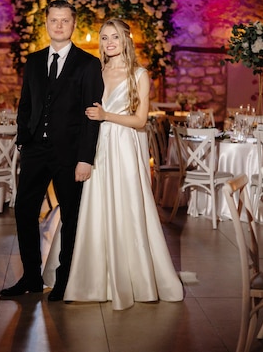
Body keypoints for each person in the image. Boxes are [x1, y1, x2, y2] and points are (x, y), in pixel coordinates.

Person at [63, 18, 184, 310]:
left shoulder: (139, 74)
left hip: (127, 145)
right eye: (104, 38)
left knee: (128, 204)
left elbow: (141, 120)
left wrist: (107, 116)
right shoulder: (96, 71)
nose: (109, 43)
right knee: (97, 203)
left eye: (114, 37)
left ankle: (135, 273)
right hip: (99, 145)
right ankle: (94, 276)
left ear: (126, 40)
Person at [0, 0, 104, 301]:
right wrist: (23, 139)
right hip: (34, 151)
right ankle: (31, 278)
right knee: (24, 211)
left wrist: (85, 158)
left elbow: (91, 116)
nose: (59, 25)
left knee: (71, 217)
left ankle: (63, 280)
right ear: (45, 23)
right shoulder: (33, 61)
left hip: (70, 156)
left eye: (65, 21)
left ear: (73, 25)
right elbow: (26, 105)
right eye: (53, 20)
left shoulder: (87, 64)